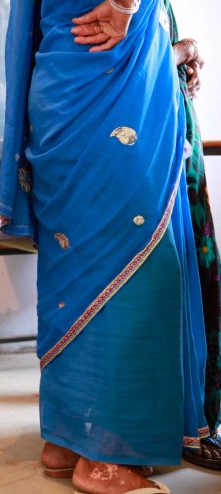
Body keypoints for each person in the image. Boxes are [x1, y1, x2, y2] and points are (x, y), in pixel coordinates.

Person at [0, 0, 209, 492]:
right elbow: (115, 21)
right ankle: (105, 459)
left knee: (80, 265)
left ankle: (69, 439)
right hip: (111, 93)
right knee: (136, 263)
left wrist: (174, 50)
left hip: (67, 92)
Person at [166, 0, 221, 469]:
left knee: (194, 280)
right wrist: (181, 52)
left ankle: (197, 420)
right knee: (168, 291)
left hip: (176, 139)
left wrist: (190, 52)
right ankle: (180, 426)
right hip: (146, 152)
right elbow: (115, 63)